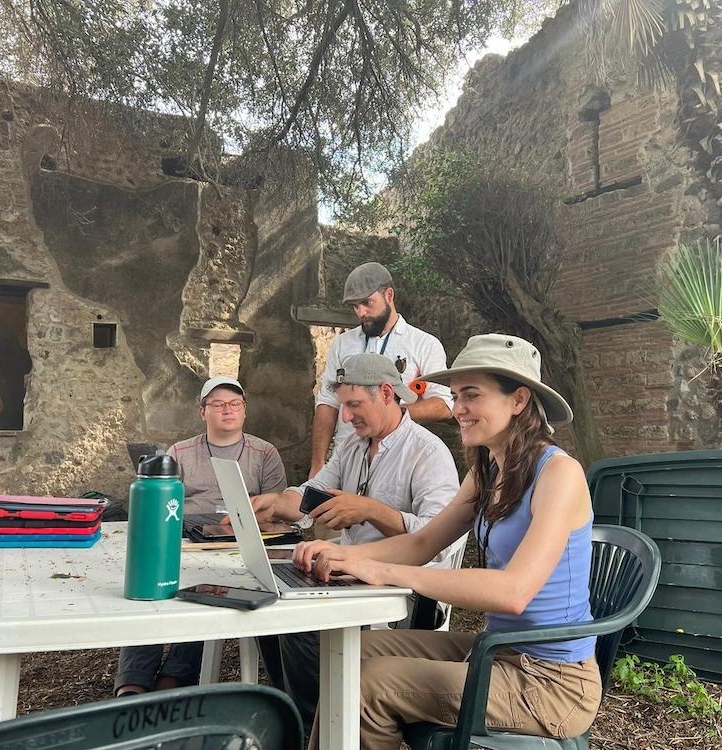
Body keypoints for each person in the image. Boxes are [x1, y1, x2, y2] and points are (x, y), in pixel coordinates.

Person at [294, 334, 602, 749]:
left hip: (551, 682)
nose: (457, 410)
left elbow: (514, 593)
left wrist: (382, 570)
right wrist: (344, 554)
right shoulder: (488, 471)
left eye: (471, 396)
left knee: (368, 683)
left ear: (519, 400)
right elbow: (423, 543)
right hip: (496, 651)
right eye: (456, 397)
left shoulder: (558, 474)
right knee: (350, 651)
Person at [252, 352, 460, 735]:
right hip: (350, 576)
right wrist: (275, 504)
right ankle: (307, 724)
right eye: (343, 406)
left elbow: (439, 541)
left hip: (405, 591)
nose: (345, 418)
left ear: (386, 393)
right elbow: (312, 495)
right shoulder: (353, 446)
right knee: (267, 607)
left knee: (299, 627)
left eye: (353, 405)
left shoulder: (428, 453)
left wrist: (372, 511)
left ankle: (323, 729)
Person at [114, 375, 287, 697]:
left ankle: (174, 679)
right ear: (202, 412)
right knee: (149, 587)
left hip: (239, 544)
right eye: (218, 404)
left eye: (235, 404)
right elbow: (164, 502)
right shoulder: (181, 451)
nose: (227, 410)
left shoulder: (264, 453)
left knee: (204, 594)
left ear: (245, 410)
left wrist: (250, 517)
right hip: (182, 537)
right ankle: (134, 681)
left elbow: (278, 508)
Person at [310, 261, 453, 477]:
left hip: (399, 461)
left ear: (389, 295)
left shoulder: (424, 344)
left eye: (367, 303)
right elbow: (328, 403)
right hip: (346, 459)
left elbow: (443, 405)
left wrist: (390, 416)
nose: (361, 313)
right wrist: (318, 464)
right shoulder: (343, 343)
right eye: (355, 306)